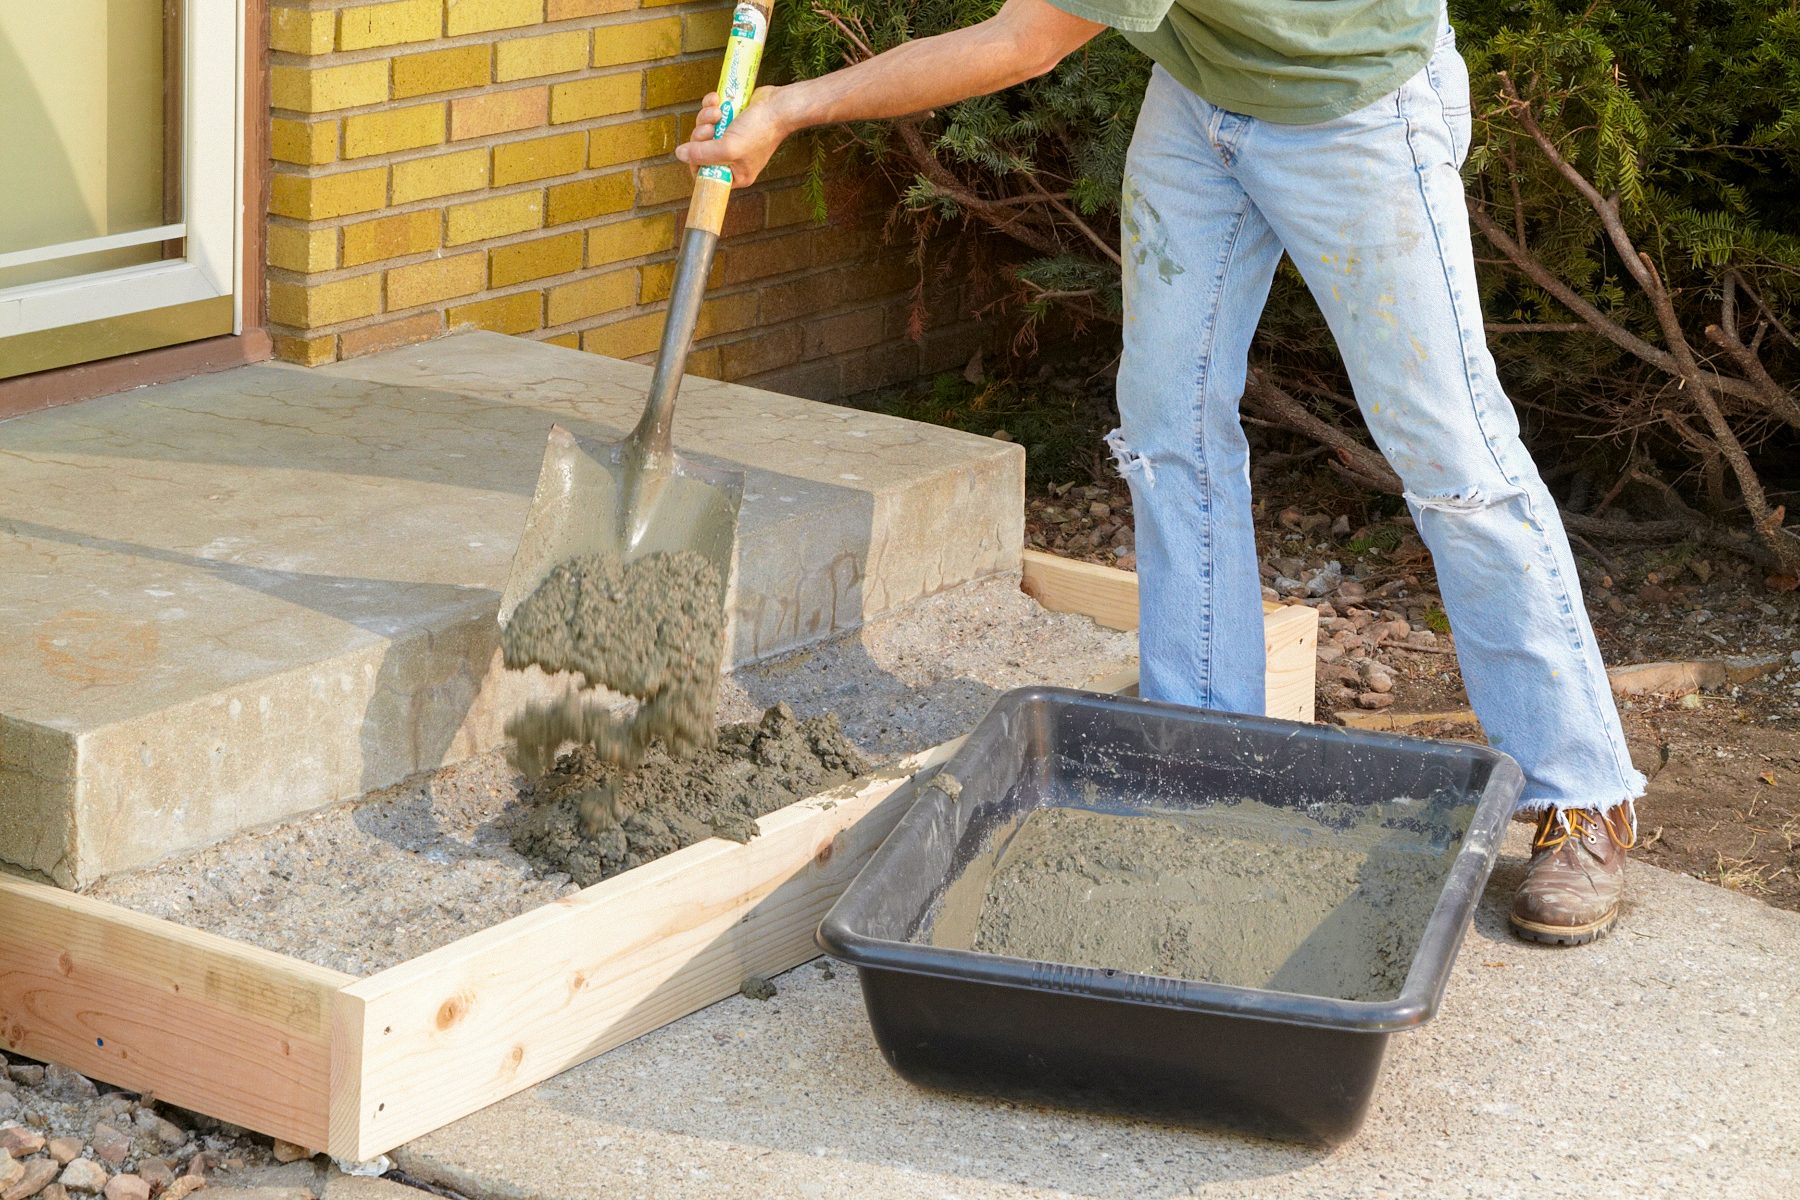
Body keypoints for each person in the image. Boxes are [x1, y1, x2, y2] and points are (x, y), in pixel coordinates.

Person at [676, 0, 1644, 945]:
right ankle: (1207, 764)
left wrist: (792, 107)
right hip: (1202, 92)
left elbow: (1023, 42)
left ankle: (1583, 792)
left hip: (1352, 103)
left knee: (1454, 461)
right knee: (1165, 430)